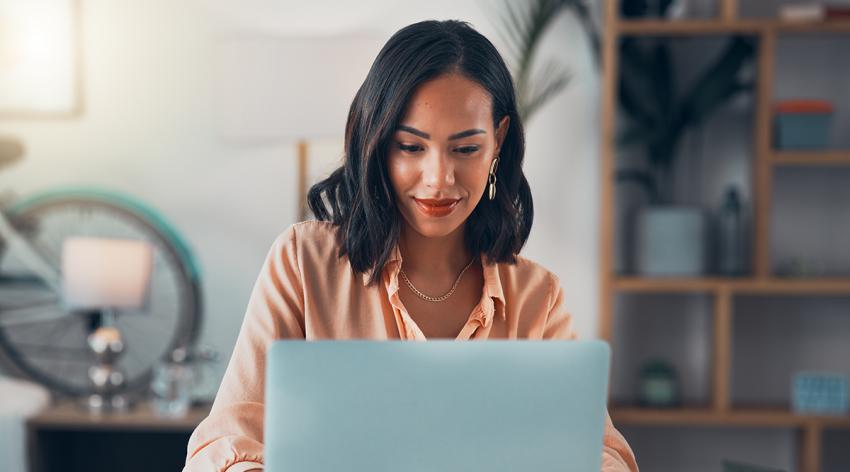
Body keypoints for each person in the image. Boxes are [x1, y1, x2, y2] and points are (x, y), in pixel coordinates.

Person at [184, 19, 638, 472]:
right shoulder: (302, 263)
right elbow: (224, 443)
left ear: (498, 141)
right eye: (410, 147)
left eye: (465, 149)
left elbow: (602, 451)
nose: (439, 179)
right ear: (377, 143)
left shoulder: (536, 297)